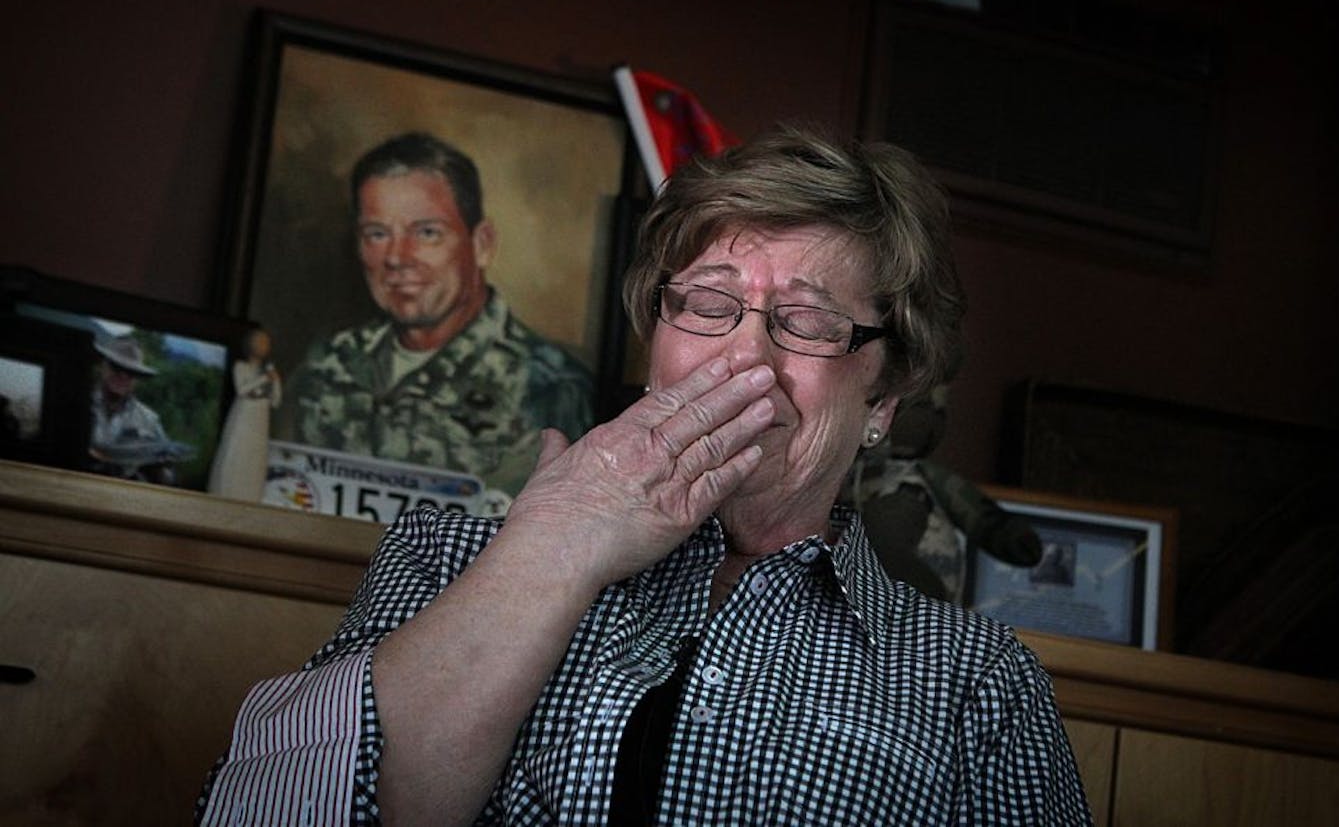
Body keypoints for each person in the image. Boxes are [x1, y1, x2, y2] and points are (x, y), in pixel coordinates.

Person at [199, 125, 1093, 825]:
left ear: (886, 396)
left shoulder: (976, 683)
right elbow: (264, 809)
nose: (743, 354)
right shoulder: (445, 560)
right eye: (706, 303)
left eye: (808, 321)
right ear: (655, 335)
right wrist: (553, 548)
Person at [289, 132, 595, 496]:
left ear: (481, 245)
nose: (397, 257)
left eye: (427, 232)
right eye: (376, 233)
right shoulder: (327, 365)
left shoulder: (549, 389)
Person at [89, 336, 180, 484]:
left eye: (131, 372)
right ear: (103, 365)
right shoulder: (76, 402)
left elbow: (168, 476)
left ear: (137, 378)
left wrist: (159, 471)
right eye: (117, 367)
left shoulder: (149, 420)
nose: (123, 375)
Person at [207, 328, 282, 500]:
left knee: (254, 458)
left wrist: (275, 380)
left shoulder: (268, 371)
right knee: (237, 454)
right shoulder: (241, 366)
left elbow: (276, 401)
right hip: (244, 416)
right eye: (260, 341)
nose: (263, 346)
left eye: (266, 342)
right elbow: (242, 389)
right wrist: (264, 379)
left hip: (260, 420)